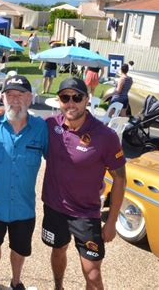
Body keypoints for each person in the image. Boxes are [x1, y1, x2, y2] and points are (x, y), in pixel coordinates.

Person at [41, 77, 126, 290]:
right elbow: (20, 123)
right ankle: (58, 287)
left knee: (93, 273)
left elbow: (120, 178)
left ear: (87, 99)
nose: (71, 103)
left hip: (86, 213)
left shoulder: (106, 135)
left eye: (77, 97)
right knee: (58, 250)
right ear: (59, 101)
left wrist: (112, 221)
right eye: (65, 97)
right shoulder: (50, 126)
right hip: (54, 208)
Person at [0, 75, 48, 290]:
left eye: (20, 95)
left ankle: (16, 280)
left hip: (24, 207)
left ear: (30, 98)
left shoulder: (41, 128)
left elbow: (59, 160)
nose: (15, 99)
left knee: (19, 248)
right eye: (10, 95)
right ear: (2, 98)